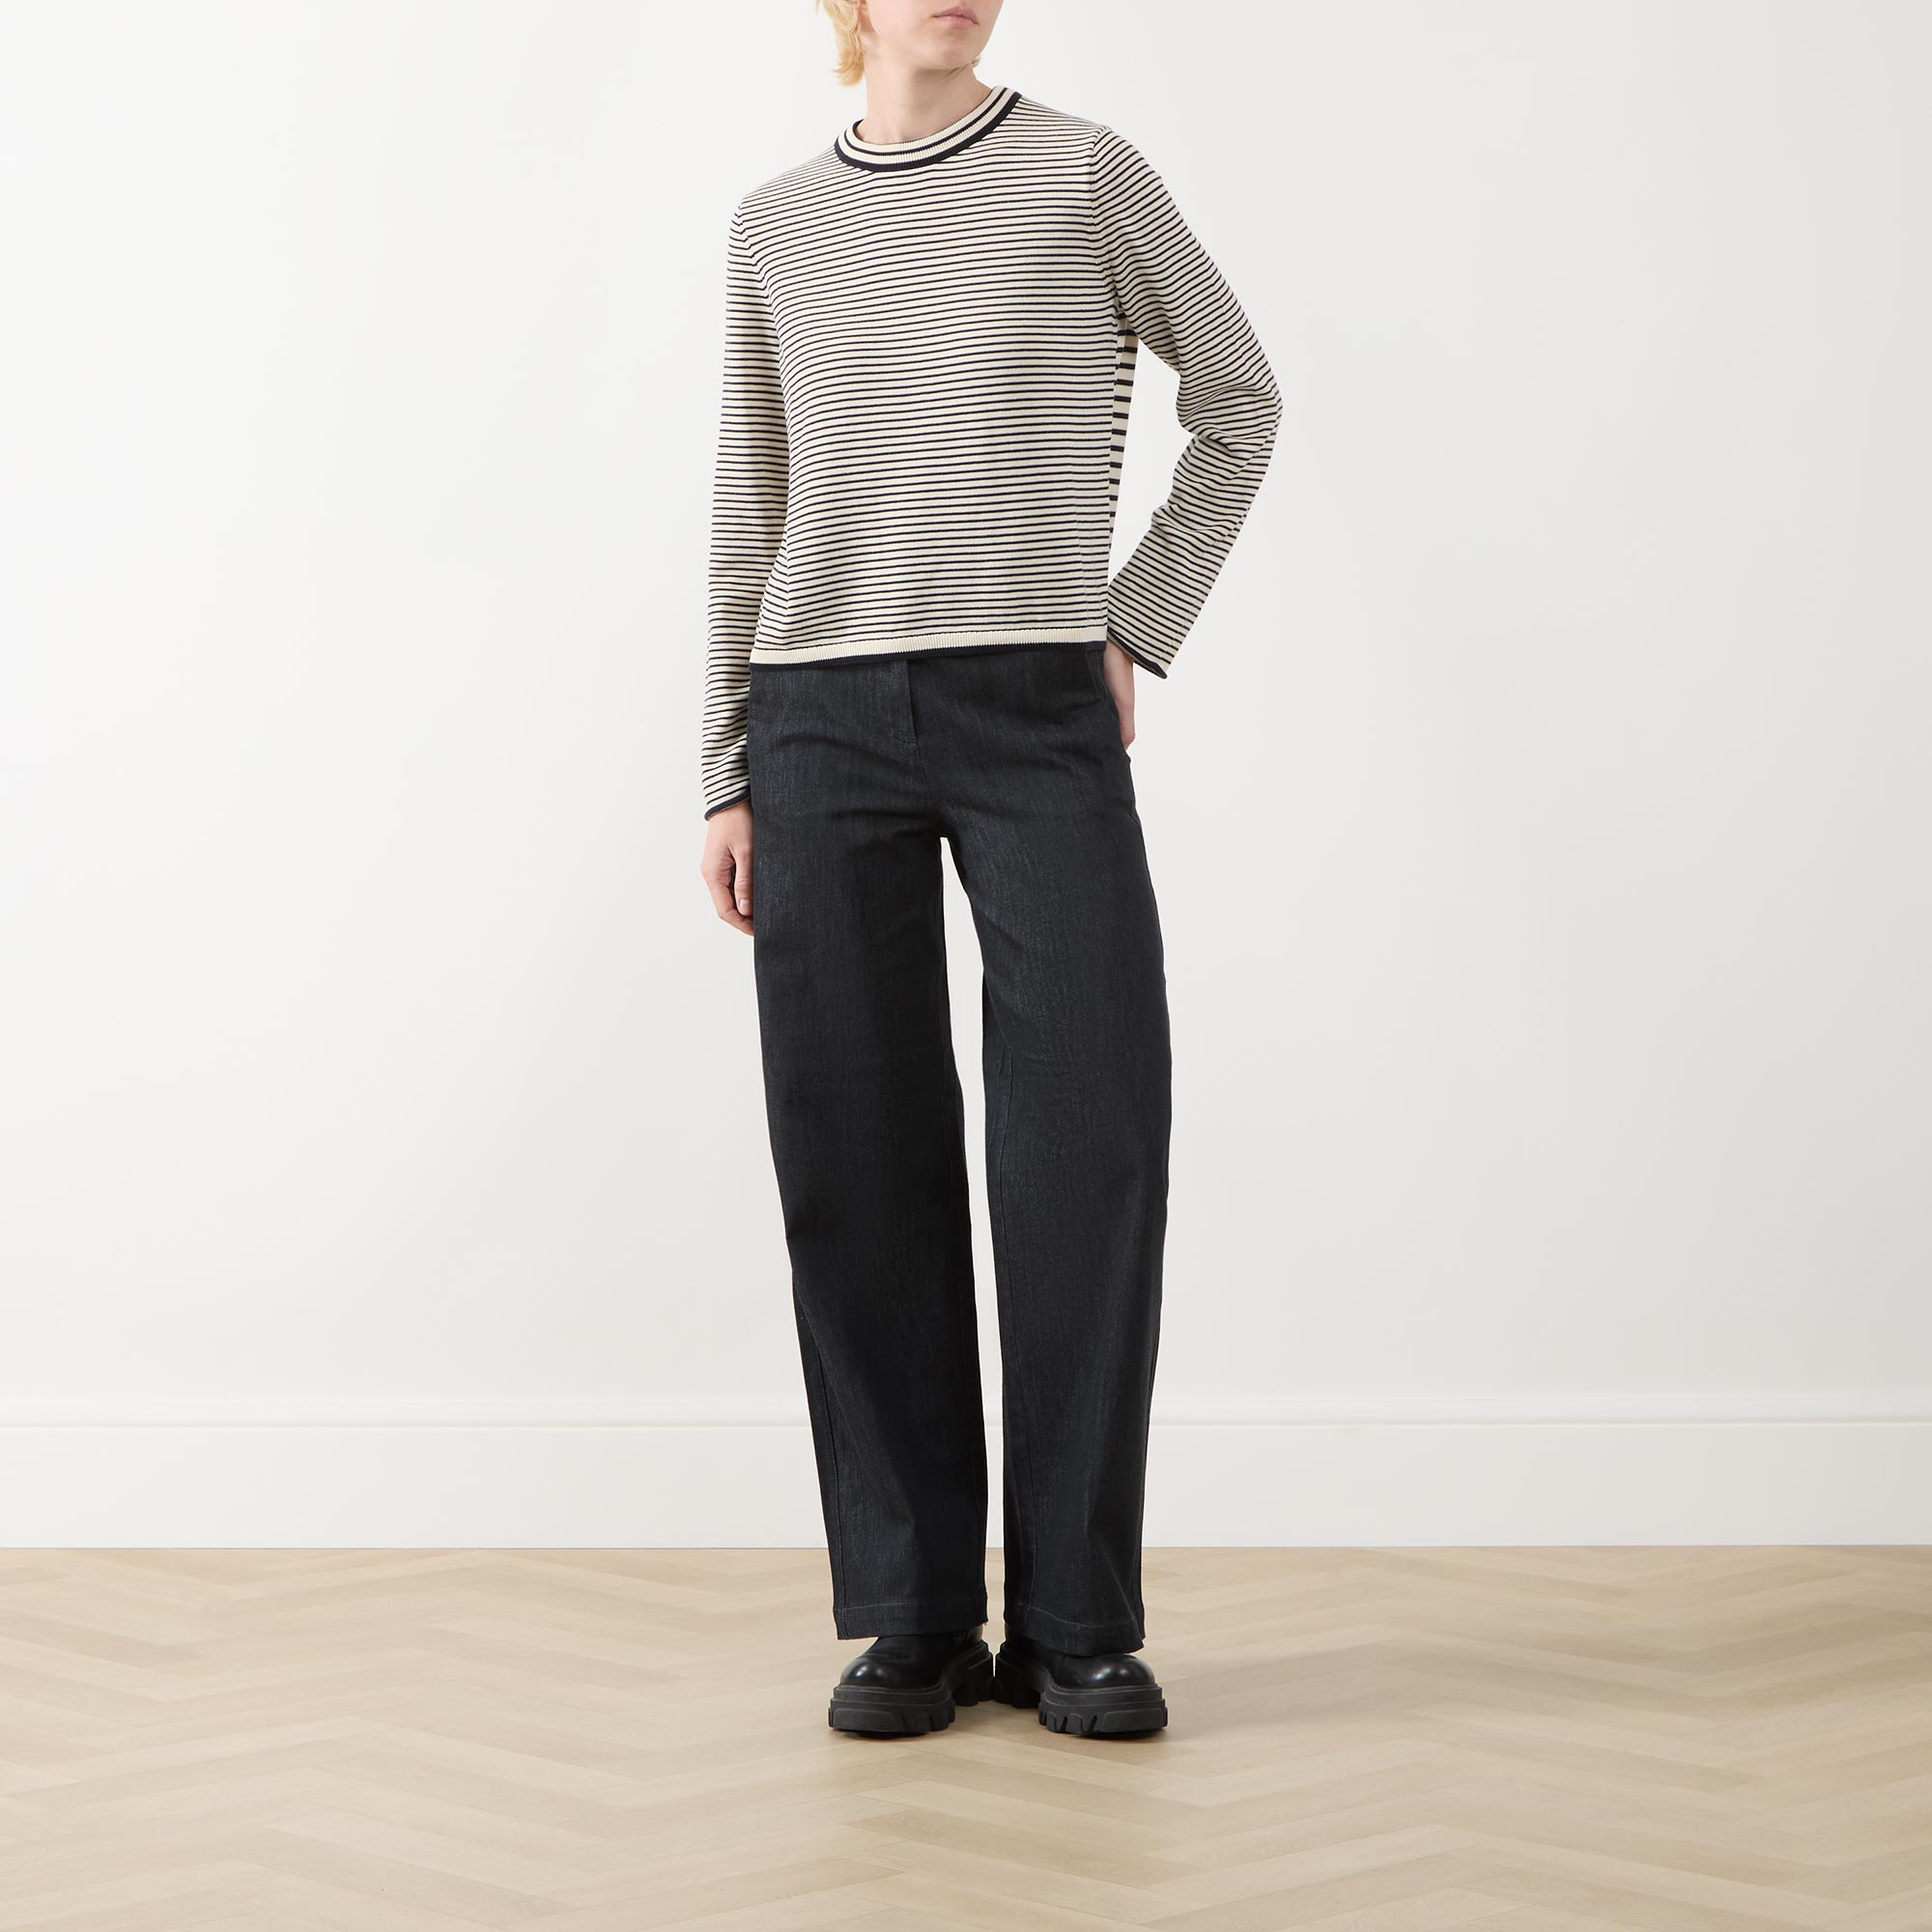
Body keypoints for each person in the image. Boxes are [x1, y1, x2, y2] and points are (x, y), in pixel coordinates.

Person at [697, 0, 1280, 1738]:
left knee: (1086, 1144)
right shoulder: (774, 224)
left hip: (1035, 707)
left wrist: (1136, 621)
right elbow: (749, 500)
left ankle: (1080, 1622)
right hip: (816, 721)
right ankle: (916, 1613)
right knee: (857, 1156)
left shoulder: (1089, 176)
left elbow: (1240, 400)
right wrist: (725, 767)